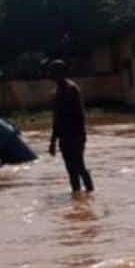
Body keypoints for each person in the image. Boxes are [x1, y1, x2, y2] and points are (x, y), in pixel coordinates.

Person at [48, 60, 94, 194]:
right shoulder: (56, 93)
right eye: (53, 73)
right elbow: (56, 119)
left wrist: (79, 138)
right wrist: (53, 142)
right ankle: (77, 194)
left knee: (79, 166)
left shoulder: (72, 89)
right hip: (64, 137)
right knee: (70, 169)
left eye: (56, 72)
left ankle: (90, 193)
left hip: (75, 136)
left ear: (63, 73)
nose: (54, 76)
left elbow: (80, 116)